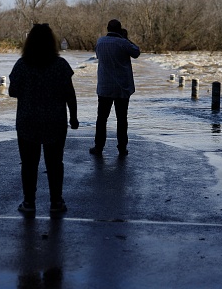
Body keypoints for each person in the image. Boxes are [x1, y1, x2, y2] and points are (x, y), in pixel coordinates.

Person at [9, 23, 79, 214]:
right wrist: (73, 117)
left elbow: (12, 91)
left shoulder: (22, 65)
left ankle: (29, 203)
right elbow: (69, 94)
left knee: (29, 164)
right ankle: (56, 202)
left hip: (27, 120)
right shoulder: (61, 65)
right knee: (55, 163)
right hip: (55, 121)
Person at [89, 19, 140, 157]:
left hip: (105, 86)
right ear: (120, 29)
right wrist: (127, 39)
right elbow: (136, 52)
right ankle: (122, 148)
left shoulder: (100, 42)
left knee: (101, 119)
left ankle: (98, 146)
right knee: (122, 119)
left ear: (107, 28)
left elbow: (98, 56)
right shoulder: (123, 43)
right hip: (122, 87)